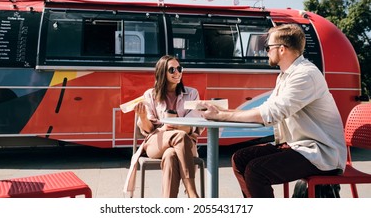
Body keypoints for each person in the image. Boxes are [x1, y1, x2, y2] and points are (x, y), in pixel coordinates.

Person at [200, 24, 347, 198]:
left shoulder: (305, 75)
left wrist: (222, 116)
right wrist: (221, 112)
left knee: (256, 171)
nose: (266, 51)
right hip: (298, 146)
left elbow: (272, 113)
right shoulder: (286, 75)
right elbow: (266, 108)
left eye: (268, 47)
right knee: (240, 159)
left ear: (282, 49)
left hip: (319, 152)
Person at [125, 55, 203, 198]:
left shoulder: (192, 93)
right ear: (162, 73)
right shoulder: (150, 95)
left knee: (171, 155)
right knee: (179, 136)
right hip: (157, 142)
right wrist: (142, 117)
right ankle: (192, 192)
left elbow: (196, 124)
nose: (177, 73)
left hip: (185, 144)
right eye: (171, 70)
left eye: (179, 68)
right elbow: (148, 130)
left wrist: (176, 127)